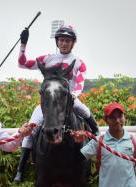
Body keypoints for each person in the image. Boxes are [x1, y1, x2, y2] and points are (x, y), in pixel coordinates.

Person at [14, 24, 99, 182]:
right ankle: (21, 168)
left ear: (72, 43)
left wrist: (72, 96)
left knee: (87, 113)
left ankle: (97, 140)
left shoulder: (79, 62)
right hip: (49, 100)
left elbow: (80, 83)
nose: (64, 43)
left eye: (67, 40)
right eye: (61, 40)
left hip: (69, 98)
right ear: (57, 42)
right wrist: (23, 44)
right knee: (33, 125)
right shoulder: (47, 59)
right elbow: (22, 63)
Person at [74, 102, 136, 187]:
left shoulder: (135, 141)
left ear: (125, 116)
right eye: (113, 117)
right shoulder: (98, 141)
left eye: (120, 116)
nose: (117, 121)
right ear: (106, 120)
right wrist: (77, 143)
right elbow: (77, 158)